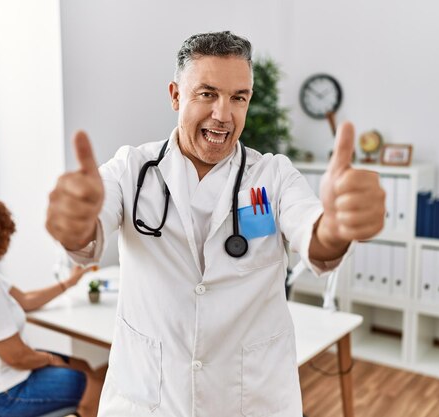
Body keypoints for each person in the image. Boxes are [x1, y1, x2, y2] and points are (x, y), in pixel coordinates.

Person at [46, 31, 385, 417]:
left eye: (238, 97)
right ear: (175, 95)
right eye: (207, 94)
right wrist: (74, 223)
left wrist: (336, 228)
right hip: (148, 400)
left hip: (249, 401)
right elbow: (87, 232)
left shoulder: (273, 175)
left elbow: (314, 233)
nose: (223, 114)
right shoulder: (130, 169)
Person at [0, 197, 105, 417]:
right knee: (92, 385)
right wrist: (48, 359)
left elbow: (25, 300)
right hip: (4, 396)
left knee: (81, 364)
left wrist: (68, 283)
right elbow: (18, 358)